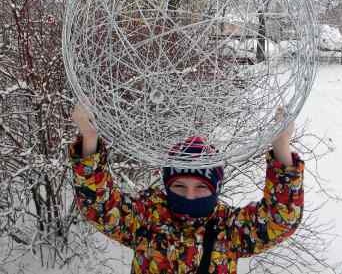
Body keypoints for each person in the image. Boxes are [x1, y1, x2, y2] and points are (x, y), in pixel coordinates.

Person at [69, 104, 304, 273]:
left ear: (216, 188)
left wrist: (281, 147)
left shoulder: (229, 228)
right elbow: (99, 207)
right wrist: (89, 138)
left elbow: (279, 220)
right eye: (179, 186)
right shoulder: (147, 218)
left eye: (201, 187)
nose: (189, 196)